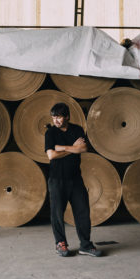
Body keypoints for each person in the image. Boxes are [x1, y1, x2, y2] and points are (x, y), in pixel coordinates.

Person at [44, 102, 102, 257]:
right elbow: (51, 155)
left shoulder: (77, 129)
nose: (56, 120)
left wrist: (61, 147)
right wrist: (72, 148)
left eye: (59, 117)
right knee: (57, 213)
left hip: (76, 179)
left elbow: (83, 148)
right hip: (57, 180)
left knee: (83, 211)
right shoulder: (50, 133)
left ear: (67, 116)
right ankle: (60, 244)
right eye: (54, 117)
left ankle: (86, 245)